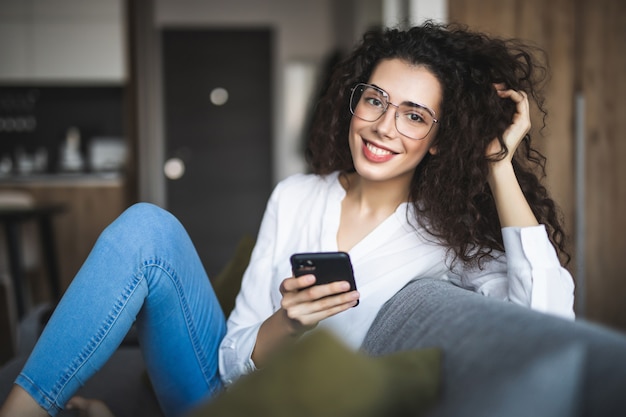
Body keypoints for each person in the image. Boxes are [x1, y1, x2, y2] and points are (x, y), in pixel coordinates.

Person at [0, 21, 575, 417]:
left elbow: (548, 319)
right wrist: (286, 324)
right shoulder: (297, 196)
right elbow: (229, 358)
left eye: (414, 115)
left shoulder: (444, 241)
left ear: (442, 141)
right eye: (374, 100)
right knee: (148, 227)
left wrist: (498, 163)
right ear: (354, 103)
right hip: (223, 394)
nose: (382, 127)